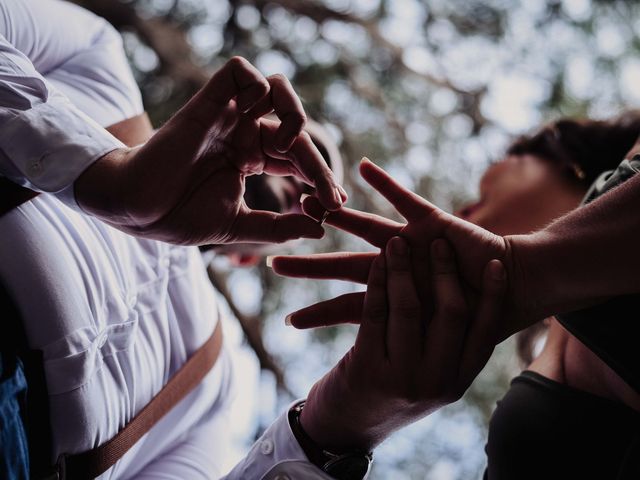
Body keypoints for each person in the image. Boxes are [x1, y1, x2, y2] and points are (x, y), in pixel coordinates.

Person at [0, 1, 376, 479]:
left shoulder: (216, 388)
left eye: (311, 199)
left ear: (244, 259)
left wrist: (345, 425)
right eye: (289, 153)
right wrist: (100, 174)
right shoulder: (97, 59)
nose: (295, 183)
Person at [272, 114, 640, 478]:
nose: (462, 212)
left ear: (569, 160)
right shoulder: (538, 358)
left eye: (481, 193)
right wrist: (344, 424)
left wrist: (525, 269)